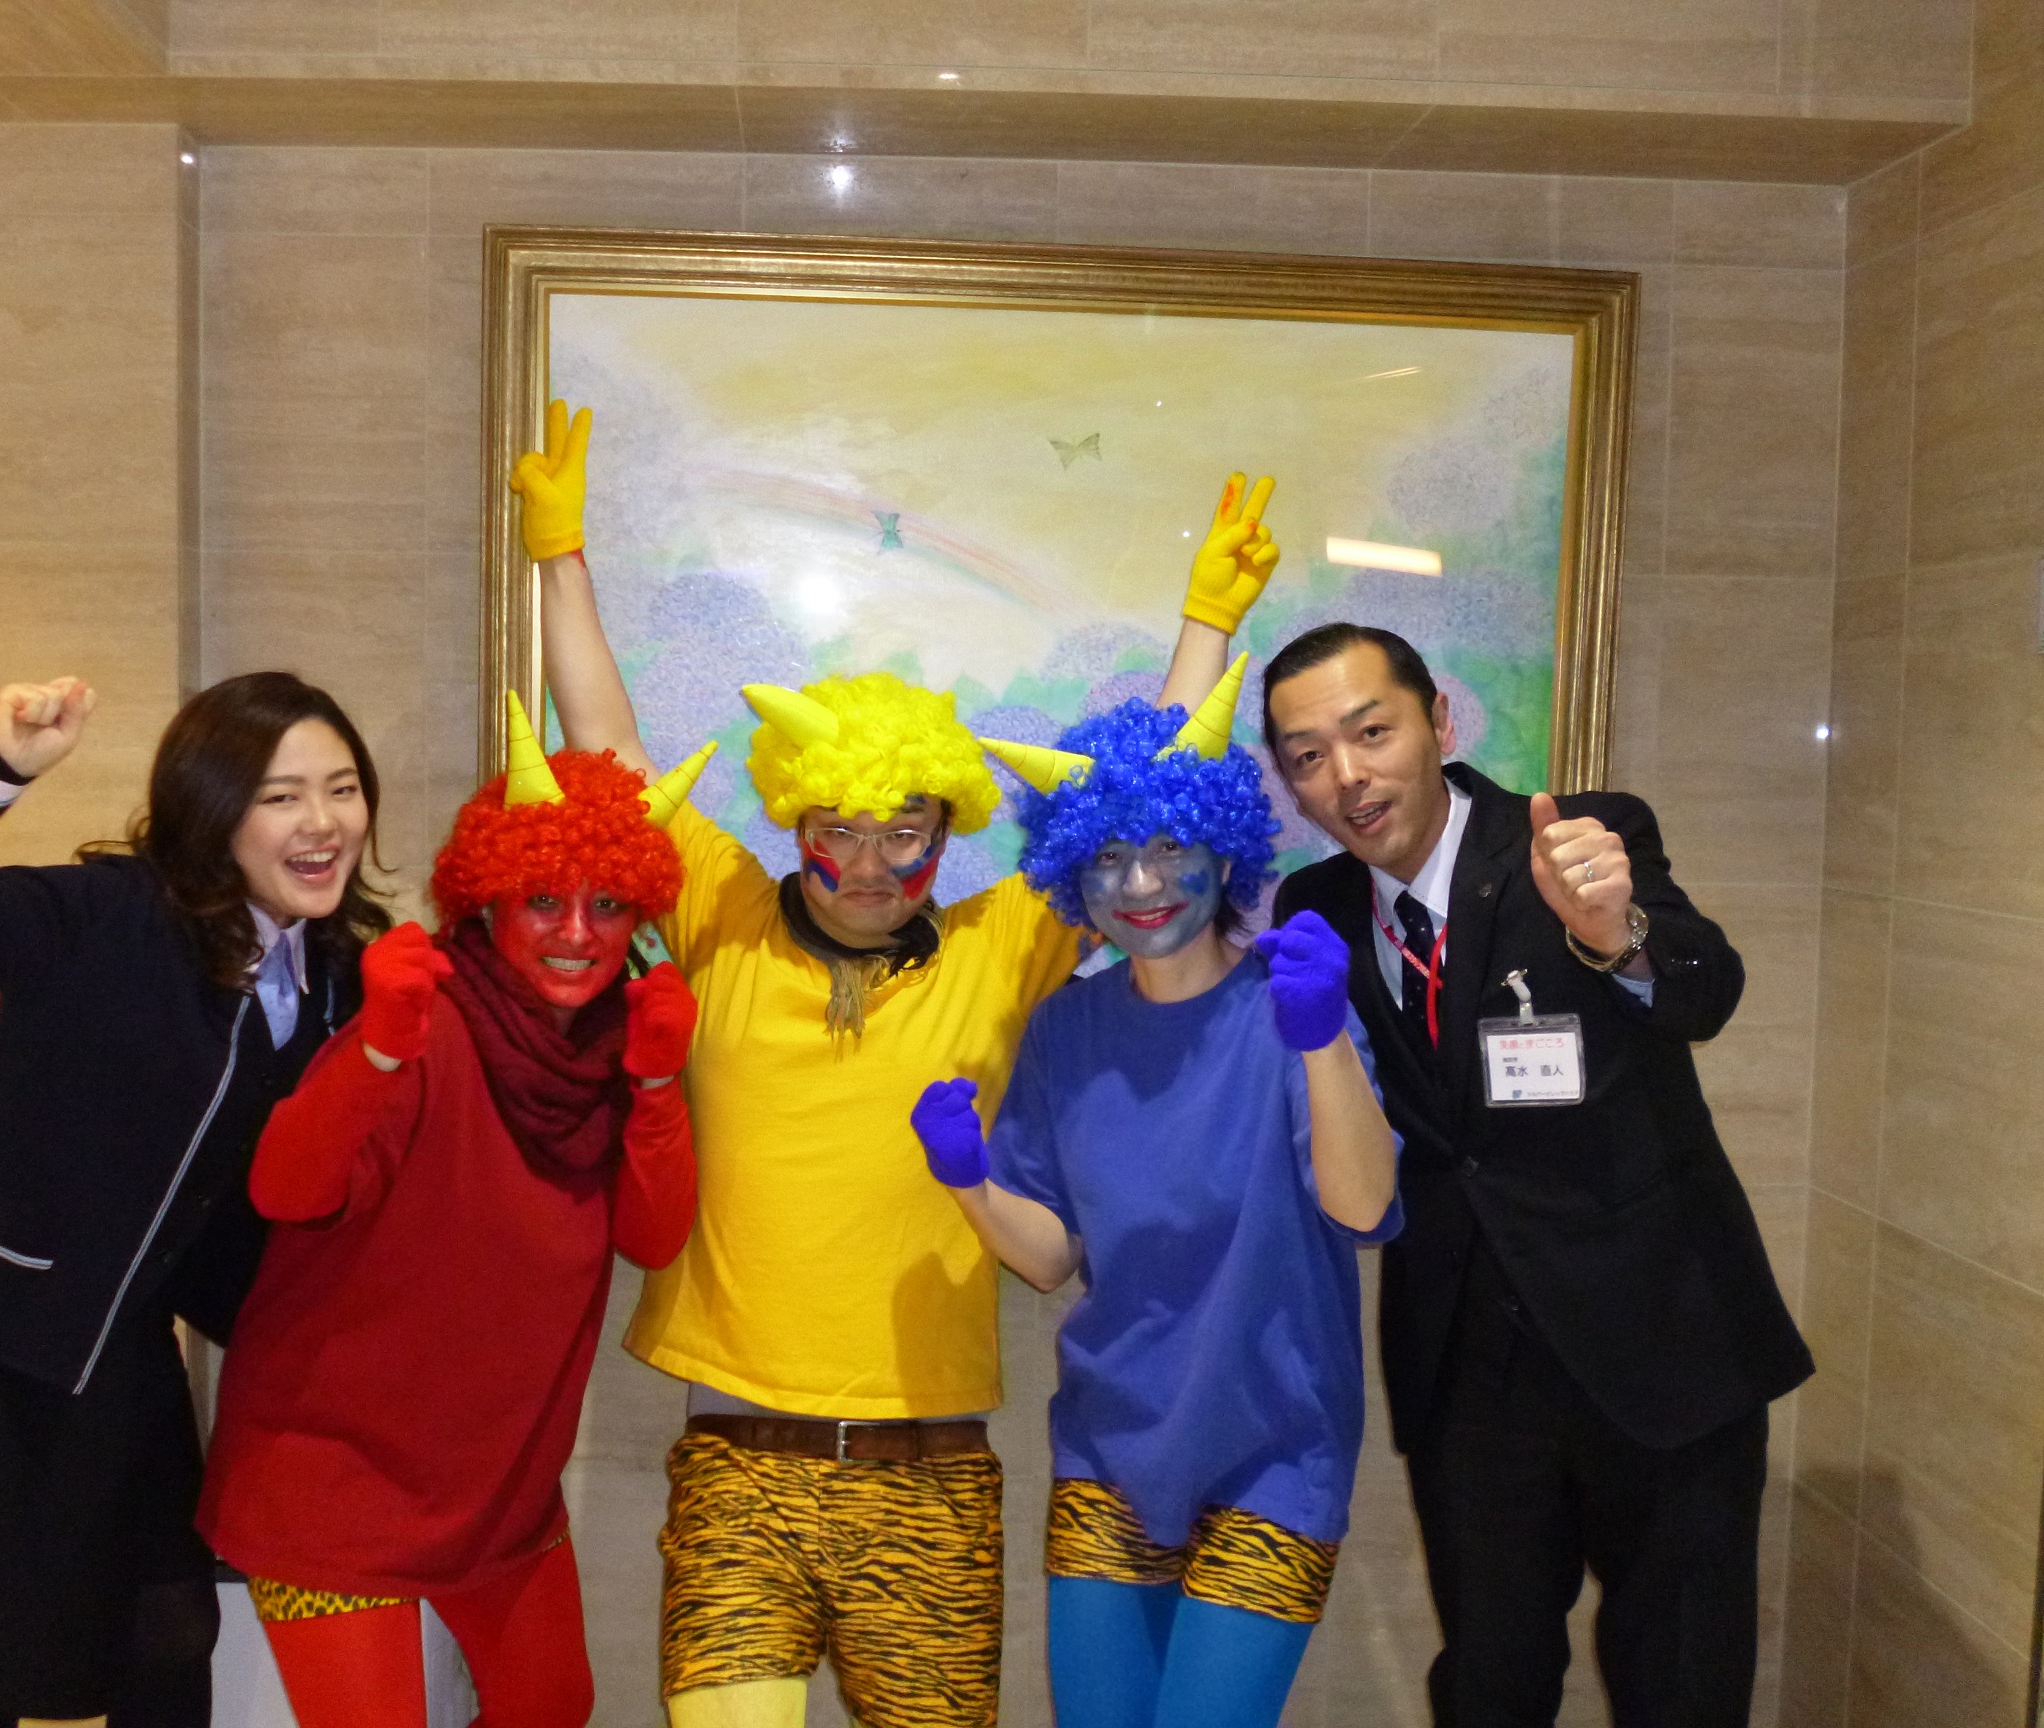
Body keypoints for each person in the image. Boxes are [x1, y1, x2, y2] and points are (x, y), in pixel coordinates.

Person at [521, 397, 1280, 1728]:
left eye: (905, 831)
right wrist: (560, 558)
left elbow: (1137, 803)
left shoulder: (1001, 945)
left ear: (948, 830)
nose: (869, 864)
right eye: (839, 829)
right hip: (738, 1465)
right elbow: (610, 757)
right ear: (794, 820)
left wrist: (1206, 623)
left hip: (930, 1474)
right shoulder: (722, 918)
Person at [1260, 622, 1813, 1728]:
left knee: (1682, 1682)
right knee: (1488, 1681)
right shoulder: (1314, 908)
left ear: (1439, 722)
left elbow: (1704, 988)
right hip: (1469, 1363)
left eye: (1372, 732)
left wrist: (1619, 936)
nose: (1347, 776)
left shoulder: (1575, 842)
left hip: (1663, 1338)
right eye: (1309, 756)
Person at [0, 671, 387, 1728]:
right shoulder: (101, 916)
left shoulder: (341, 979)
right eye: (280, 796)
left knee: (170, 1631)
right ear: (212, 812)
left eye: (342, 788)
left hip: (120, 1355)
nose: (323, 822)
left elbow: (253, 1196)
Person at [196, 694, 709, 1728]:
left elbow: (654, 1241)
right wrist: (380, 1048)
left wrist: (658, 1086)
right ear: (486, 900)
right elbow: (286, 1189)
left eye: (610, 905)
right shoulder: (423, 1022)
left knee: (553, 1706)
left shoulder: (609, 1049)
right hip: (329, 1493)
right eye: (543, 900)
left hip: (499, 1494)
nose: (577, 934)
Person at [909, 680, 1402, 1728]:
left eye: (1170, 846)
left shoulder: (1289, 1000)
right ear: (1071, 874)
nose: (1139, 883)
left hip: (1278, 1449)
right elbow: (1050, 1256)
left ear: (1224, 853)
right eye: (1106, 856)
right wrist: (968, 1180)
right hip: (1110, 1447)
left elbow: (1362, 1209)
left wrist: (1321, 1038)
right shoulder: (1066, 1029)